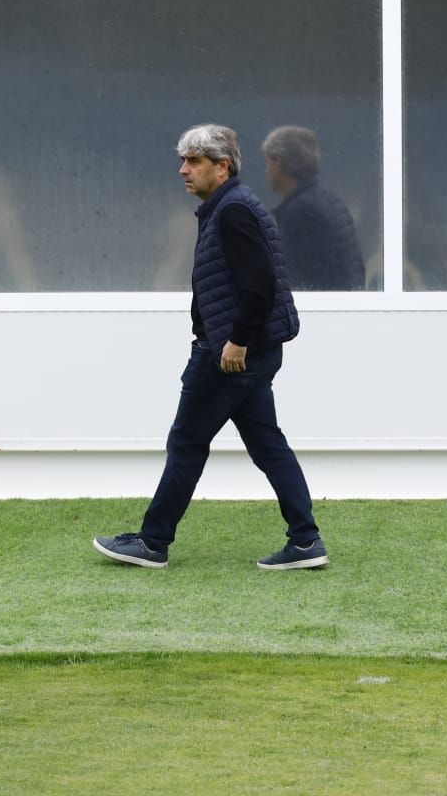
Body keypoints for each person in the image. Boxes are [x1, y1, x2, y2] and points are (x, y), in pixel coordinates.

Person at [93, 124, 327, 571]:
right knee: (267, 444)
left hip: (230, 355)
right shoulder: (229, 207)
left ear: (223, 167)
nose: (183, 170)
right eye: (182, 160)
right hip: (245, 352)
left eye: (194, 161)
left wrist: (236, 341)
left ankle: (152, 542)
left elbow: (260, 286)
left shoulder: (234, 211)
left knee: (186, 441)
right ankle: (305, 541)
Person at [261, 125, 366, 291]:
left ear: (278, 163)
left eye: (267, 163)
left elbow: (297, 282)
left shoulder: (301, 212)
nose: (266, 170)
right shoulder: (331, 202)